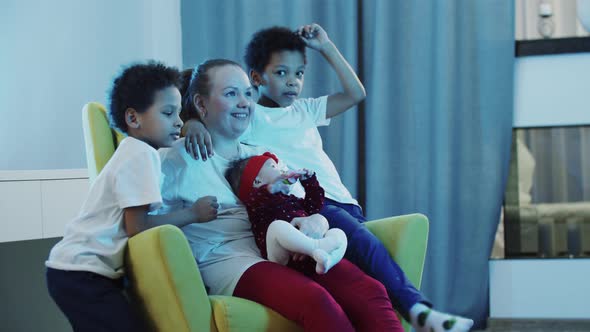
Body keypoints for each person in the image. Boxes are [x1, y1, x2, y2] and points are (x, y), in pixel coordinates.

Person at [183, 24, 474, 332]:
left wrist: (326, 47)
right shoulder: (251, 117)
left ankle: (412, 310)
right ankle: (418, 310)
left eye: (299, 74)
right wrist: (190, 123)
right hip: (311, 205)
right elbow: (206, 104)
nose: (292, 82)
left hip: (341, 203)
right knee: (362, 251)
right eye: (281, 73)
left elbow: (355, 93)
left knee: (368, 270)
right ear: (257, 78)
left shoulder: (304, 110)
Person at [158, 58, 403, 331]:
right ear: (201, 104)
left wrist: (313, 222)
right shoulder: (174, 160)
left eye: (248, 93)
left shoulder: (260, 155)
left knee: (369, 291)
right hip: (230, 260)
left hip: (286, 246)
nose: (244, 102)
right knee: (316, 301)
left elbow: (299, 202)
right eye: (231, 94)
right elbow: (145, 221)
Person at [45, 61, 219, 332]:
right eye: (168, 113)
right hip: (82, 272)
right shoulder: (141, 154)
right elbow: (136, 226)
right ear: (134, 119)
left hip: (75, 271)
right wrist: (193, 213)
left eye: (178, 113)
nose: (179, 121)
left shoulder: (134, 150)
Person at [225, 151, 347, 274]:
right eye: (273, 167)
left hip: (309, 248)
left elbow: (313, 207)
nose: (281, 170)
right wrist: (271, 188)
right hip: (280, 253)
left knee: (338, 233)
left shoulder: (290, 199)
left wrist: (309, 182)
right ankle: (316, 247)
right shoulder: (256, 203)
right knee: (277, 227)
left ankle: (329, 259)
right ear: (257, 182)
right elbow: (257, 198)